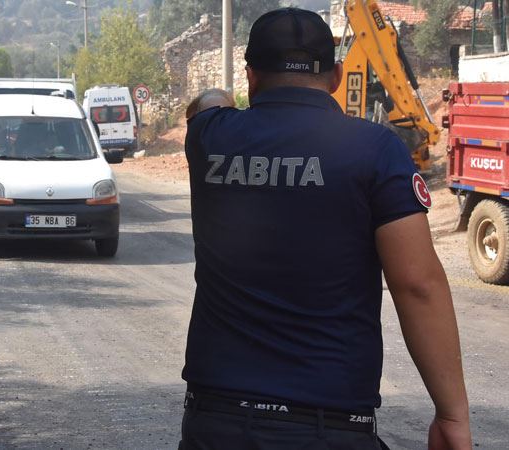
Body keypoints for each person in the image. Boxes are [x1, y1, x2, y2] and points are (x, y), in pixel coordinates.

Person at [179, 8, 471, 450]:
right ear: (336, 76)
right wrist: (451, 415)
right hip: (329, 426)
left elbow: (208, 103)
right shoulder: (374, 150)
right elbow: (417, 285)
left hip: (215, 422)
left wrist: (222, 95)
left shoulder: (209, 138)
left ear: (251, 75)